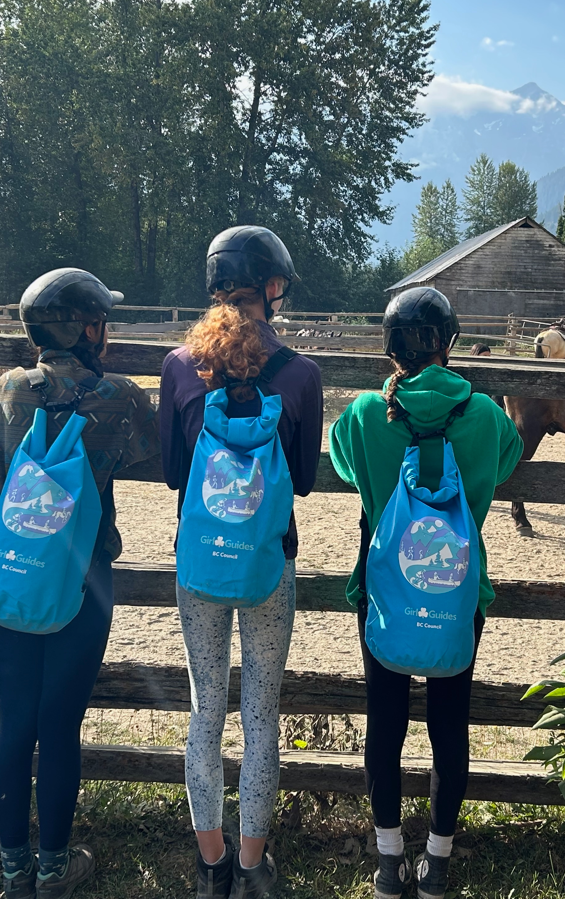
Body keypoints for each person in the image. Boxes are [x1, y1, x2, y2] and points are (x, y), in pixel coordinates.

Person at [329, 287, 523, 899]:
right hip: (457, 592)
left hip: (384, 592)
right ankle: (437, 861)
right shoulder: (486, 414)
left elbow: (340, 460)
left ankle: (388, 860)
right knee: (450, 725)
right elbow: (510, 459)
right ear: (451, 343)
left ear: (390, 349)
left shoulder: (365, 412)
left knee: (384, 723)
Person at [160, 226, 323, 899]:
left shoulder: (178, 366)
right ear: (273, 288)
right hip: (267, 563)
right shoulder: (302, 374)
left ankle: (210, 866)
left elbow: (174, 472)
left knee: (205, 711)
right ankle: (253, 868)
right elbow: (306, 479)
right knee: (260, 714)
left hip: (199, 563)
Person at [0, 269, 159, 899]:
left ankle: (13, 872)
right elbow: (152, 453)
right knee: (59, 724)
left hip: (16, 566)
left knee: (15, 720)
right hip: (84, 575)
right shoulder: (120, 396)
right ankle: (55, 868)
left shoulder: (8, 389)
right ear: (89, 328)